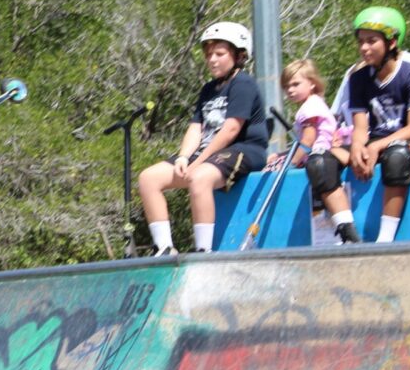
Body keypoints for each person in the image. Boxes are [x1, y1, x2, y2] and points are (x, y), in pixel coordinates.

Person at [138, 21, 268, 255]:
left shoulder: (243, 84)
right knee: (148, 178)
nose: (212, 59)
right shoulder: (208, 89)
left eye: (219, 54)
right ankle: (165, 247)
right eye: (208, 54)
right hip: (211, 152)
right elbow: (195, 128)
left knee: (199, 178)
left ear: (239, 55)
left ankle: (203, 250)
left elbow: (230, 130)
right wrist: (183, 157)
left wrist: (198, 163)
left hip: (243, 149)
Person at [345, 6, 410, 243]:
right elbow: (361, 127)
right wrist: (357, 145)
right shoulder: (357, 78)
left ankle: (385, 238)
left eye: (372, 41)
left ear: (392, 42)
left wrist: (376, 147)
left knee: (396, 155)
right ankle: (344, 233)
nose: (364, 48)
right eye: (361, 41)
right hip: (376, 137)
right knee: (321, 161)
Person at [265, 59, 360, 243]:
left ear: (312, 83)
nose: (290, 90)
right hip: (317, 151)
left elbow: (308, 141)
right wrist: (282, 155)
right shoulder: (311, 105)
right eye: (286, 86)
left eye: (295, 84)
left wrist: (290, 163)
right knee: (273, 159)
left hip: (321, 153)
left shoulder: (310, 108)